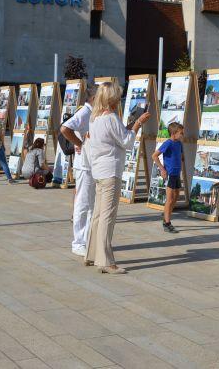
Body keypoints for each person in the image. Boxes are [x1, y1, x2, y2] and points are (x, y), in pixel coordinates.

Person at [86, 82, 151, 274]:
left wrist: (130, 126)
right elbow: (127, 141)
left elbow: (118, 136)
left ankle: (91, 254)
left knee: (98, 215)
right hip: (110, 170)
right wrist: (138, 124)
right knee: (107, 216)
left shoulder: (95, 118)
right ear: (113, 99)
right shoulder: (111, 118)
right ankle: (105, 261)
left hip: (99, 170)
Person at [60, 85, 99, 257]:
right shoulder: (85, 112)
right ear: (94, 98)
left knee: (90, 204)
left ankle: (87, 239)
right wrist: (80, 143)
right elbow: (65, 128)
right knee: (83, 203)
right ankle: (78, 242)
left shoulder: (94, 112)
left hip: (92, 164)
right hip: (84, 165)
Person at [151, 122, 184, 233]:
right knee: (169, 199)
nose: (182, 135)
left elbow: (180, 156)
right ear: (174, 133)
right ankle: (167, 223)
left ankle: (166, 215)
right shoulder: (168, 143)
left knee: (176, 197)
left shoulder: (179, 144)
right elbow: (154, 156)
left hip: (176, 174)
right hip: (170, 174)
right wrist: (162, 169)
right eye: (181, 133)